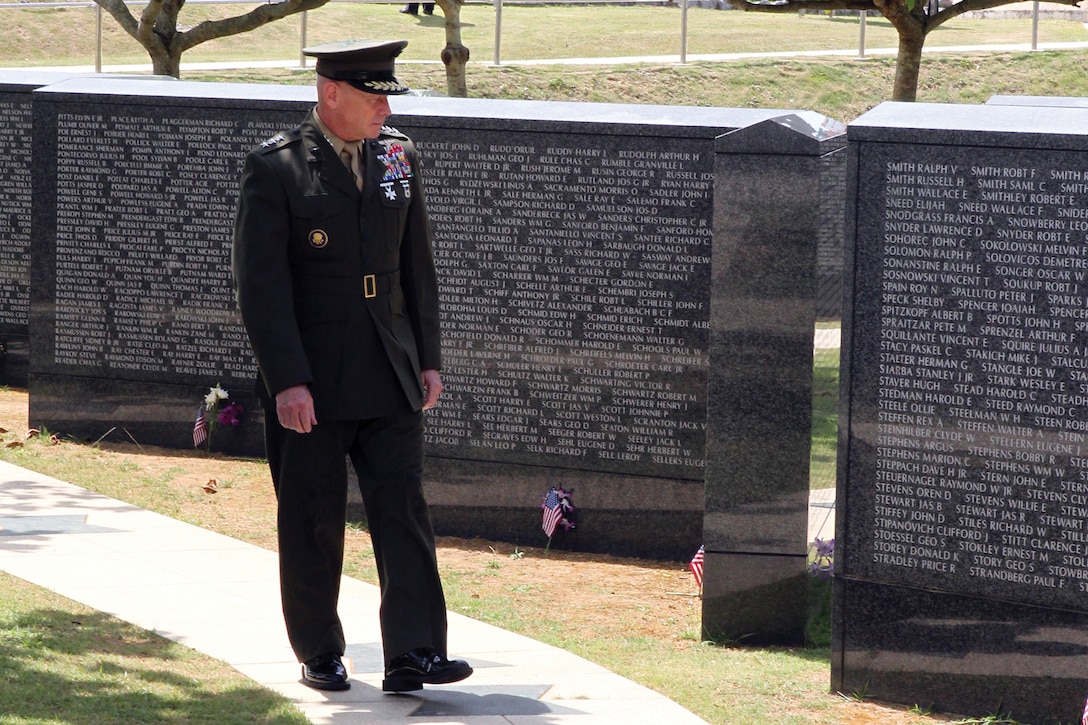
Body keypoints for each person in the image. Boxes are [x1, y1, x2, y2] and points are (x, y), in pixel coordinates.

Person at [231, 38, 472, 694]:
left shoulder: (397, 155)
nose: (384, 107)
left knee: (404, 509)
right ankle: (319, 648)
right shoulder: (277, 169)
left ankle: (415, 652)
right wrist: (287, 380)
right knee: (313, 515)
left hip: (389, 369)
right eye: (372, 95)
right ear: (328, 93)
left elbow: (415, 267)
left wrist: (429, 359)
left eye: (387, 95)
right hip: (313, 379)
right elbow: (262, 288)